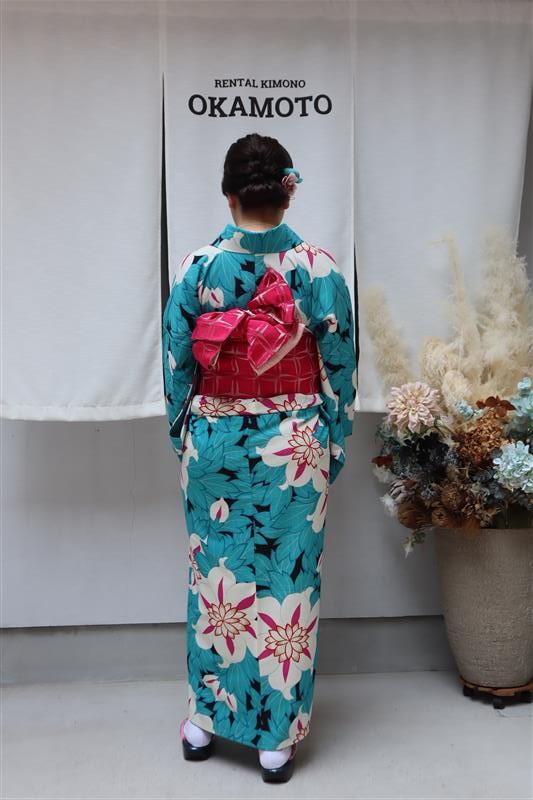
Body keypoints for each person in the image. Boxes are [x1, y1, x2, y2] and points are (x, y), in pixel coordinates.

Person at [162, 132, 357, 783]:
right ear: (287, 192)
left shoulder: (197, 267)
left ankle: (204, 719)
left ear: (228, 194)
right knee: (287, 585)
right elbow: (340, 366)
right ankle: (275, 737)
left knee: (213, 577)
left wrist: (185, 438)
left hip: (214, 442)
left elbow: (176, 365)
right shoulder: (316, 268)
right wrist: (331, 441)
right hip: (292, 446)